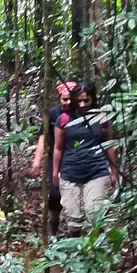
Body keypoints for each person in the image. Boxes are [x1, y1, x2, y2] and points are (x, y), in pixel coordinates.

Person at [52, 81, 119, 233]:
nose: (82, 104)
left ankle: (96, 247)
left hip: (97, 172)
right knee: (73, 223)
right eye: (79, 100)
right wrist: (55, 172)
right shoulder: (64, 119)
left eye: (86, 100)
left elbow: (109, 145)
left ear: (92, 99)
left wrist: (114, 171)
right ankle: (76, 245)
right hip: (70, 173)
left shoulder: (102, 119)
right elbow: (58, 147)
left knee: (95, 218)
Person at [31, 81, 75, 234]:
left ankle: (74, 229)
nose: (67, 102)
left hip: (73, 158)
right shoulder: (53, 113)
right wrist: (37, 161)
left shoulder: (79, 113)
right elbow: (44, 137)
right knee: (55, 193)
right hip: (54, 158)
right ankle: (54, 221)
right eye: (64, 99)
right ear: (59, 98)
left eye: (70, 99)